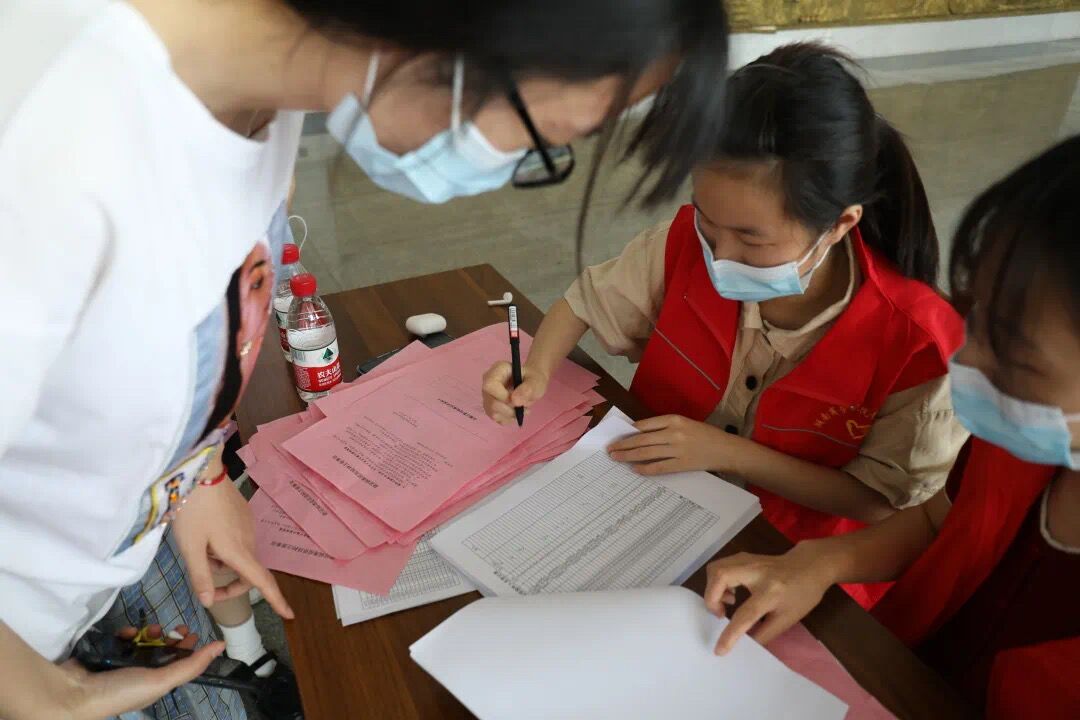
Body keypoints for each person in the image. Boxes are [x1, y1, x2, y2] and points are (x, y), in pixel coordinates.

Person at [0, 0, 731, 718]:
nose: (508, 172)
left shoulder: (262, 94)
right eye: (545, 140)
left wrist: (194, 473)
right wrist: (40, 697)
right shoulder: (45, 127)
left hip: (93, 581)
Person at [482, 43, 967, 608]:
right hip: (648, 506)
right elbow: (585, 305)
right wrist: (537, 371)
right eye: (709, 224)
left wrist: (729, 452)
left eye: (751, 239)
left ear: (838, 225)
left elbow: (875, 500)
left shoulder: (920, 346)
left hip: (783, 562)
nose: (720, 255)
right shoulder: (684, 243)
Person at [702, 136, 1080, 719]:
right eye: (975, 316)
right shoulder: (1018, 445)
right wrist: (817, 563)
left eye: (1021, 361)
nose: (967, 361)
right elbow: (937, 519)